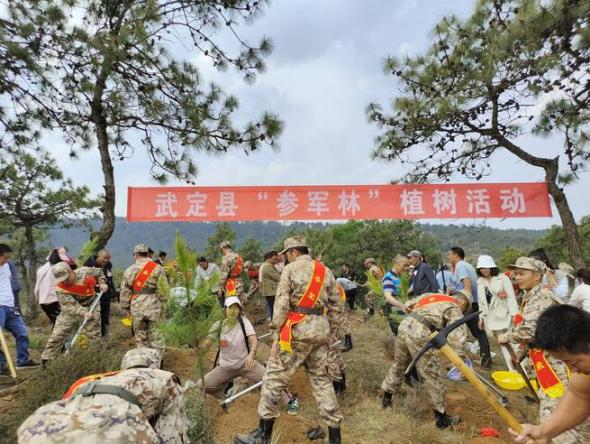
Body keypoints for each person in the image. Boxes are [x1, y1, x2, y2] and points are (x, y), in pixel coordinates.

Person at [235, 236, 344, 444]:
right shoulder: (325, 270)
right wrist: (332, 331)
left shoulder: (290, 269)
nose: (285, 258)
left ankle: (263, 436)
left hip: (296, 333)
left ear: (293, 252)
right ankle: (335, 438)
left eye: (286, 255)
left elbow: (282, 304)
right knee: (322, 382)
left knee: (273, 380)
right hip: (320, 332)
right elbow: (337, 306)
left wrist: (276, 334)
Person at [18, 347, 188, 443]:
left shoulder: (89, 381)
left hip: (41, 426)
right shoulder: (164, 378)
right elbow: (173, 437)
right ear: (156, 365)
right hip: (110, 430)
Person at [498, 257, 583, 443]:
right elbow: (536, 335)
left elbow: (529, 330)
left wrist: (508, 336)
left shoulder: (542, 297)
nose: (517, 277)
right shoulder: (529, 297)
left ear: (537, 276)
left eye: (522, 273)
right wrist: (520, 354)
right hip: (542, 360)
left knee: (556, 413)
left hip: (556, 365)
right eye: (516, 273)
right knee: (552, 409)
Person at [381, 291, 471, 429]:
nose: (462, 312)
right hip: (420, 332)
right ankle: (441, 419)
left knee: (400, 365)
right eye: (464, 309)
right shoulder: (454, 307)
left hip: (405, 326)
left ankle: (386, 400)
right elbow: (457, 338)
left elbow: (407, 306)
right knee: (431, 374)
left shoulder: (431, 296)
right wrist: (460, 360)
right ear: (462, 302)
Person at [198, 296, 299, 414]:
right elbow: (207, 344)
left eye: (236, 308)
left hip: (246, 364)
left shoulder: (244, 322)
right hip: (226, 367)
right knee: (201, 385)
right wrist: (199, 347)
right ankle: (226, 393)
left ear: (239, 310)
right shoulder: (218, 326)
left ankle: (289, 401)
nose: (233, 311)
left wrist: (251, 355)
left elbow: (253, 340)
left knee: (269, 378)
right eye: (230, 308)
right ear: (225, 310)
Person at [509, 305, 590, 444]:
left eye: (574, 362)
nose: (572, 370)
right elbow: (580, 397)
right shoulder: (584, 374)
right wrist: (544, 432)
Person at [41, 262, 108, 366]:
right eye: (62, 280)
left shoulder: (85, 271)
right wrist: (83, 312)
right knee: (57, 335)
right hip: (70, 311)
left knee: (93, 337)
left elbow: (99, 272)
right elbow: (69, 306)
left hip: (91, 306)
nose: (65, 282)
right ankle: (47, 362)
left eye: (66, 278)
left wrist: (102, 282)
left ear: (71, 271)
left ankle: (94, 362)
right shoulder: (60, 288)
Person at [448, 246, 492, 370]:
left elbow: (467, 284)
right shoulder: (466, 265)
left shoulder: (460, 265)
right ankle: (485, 360)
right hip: (471, 302)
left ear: (456, 255)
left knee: (466, 332)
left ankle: (462, 362)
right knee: (477, 332)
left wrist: (466, 304)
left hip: (468, 304)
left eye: (450, 254)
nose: (448, 257)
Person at [0, 244, 39, 375]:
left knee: (22, 333)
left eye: (8, 258)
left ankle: (23, 361)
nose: (7, 260)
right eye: (5, 258)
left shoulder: (8, 266)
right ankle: (1, 366)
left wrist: (14, 304)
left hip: (10, 306)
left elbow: (10, 285)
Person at [120, 244, 167, 352]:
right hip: (154, 305)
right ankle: (158, 359)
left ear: (135, 255)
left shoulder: (130, 270)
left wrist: (126, 307)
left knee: (141, 337)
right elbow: (164, 289)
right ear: (148, 254)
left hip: (137, 306)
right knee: (157, 335)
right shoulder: (157, 268)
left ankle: (143, 359)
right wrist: (164, 303)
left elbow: (125, 291)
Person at [476, 255, 518, 371]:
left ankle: (523, 368)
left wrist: (514, 314)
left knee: (513, 342)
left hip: (505, 314)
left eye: (486, 267)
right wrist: (480, 317)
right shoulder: (480, 282)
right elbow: (481, 302)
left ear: (492, 267)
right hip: (490, 317)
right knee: (502, 343)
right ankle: (512, 369)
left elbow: (511, 297)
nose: (484, 270)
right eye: (481, 268)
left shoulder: (503, 278)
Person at [84, 249, 115, 337]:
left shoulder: (108, 266)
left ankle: (104, 337)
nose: (106, 260)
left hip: (105, 296)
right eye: (104, 258)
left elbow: (110, 279)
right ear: (98, 257)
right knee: (95, 319)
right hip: (93, 297)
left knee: (105, 318)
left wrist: (112, 291)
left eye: (108, 259)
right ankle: (94, 338)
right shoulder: (88, 265)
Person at [381, 254, 410, 336]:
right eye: (405, 265)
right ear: (397, 264)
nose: (406, 268)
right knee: (400, 334)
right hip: (394, 310)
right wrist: (401, 305)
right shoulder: (388, 277)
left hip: (402, 308)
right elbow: (388, 297)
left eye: (407, 266)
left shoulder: (400, 277)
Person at [259, 251, 281, 320]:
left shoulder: (265, 265)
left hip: (269, 291)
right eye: (274, 259)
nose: (276, 260)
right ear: (268, 258)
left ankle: (273, 322)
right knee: (274, 310)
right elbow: (278, 278)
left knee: (272, 309)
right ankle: (274, 323)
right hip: (272, 292)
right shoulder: (268, 266)